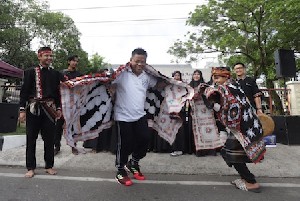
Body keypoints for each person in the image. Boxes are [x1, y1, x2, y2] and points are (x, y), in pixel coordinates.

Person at [204, 67, 266, 193]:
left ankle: (251, 182)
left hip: (240, 127)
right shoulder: (234, 86)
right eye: (214, 77)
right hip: (246, 125)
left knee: (231, 154)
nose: (215, 80)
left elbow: (231, 107)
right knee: (231, 153)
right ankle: (246, 177)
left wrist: (214, 104)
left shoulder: (224, 88)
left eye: (218, 77)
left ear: (226, 77)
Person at [111, 48, 161, 186]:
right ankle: (120, 170)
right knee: (125, 144)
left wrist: (175, 85)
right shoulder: (121, 75)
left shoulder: (146, 76)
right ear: (130, 60)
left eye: (143, 62)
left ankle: (133, 162)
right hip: (122, 116)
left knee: (145, 139)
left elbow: (158, 84)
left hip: (140, 115)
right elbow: (109, 83)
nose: (139, 64)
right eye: (137, 61)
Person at [19, 46, 62, 178]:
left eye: (50, 56)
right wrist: (22, 110)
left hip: (49, 109)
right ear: (39, 57)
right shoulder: (30, 72)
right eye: (46, 56)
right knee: (31, 138)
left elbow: (59, 93)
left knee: (49, 139)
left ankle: (49, 166)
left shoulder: (56, 74)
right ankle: (30, 167)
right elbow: (24, 91)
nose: (49, 58)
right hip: (33, 108)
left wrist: (59, 108)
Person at [54, 55, 82, 155]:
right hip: (63, 103)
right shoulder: (62, 73)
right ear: (69, 62)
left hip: (74, 104)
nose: (75, 63)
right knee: (58, 126)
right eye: (73, 61)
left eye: (76, 61)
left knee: (73, 126)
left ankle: (73, 146)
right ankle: (56, 146)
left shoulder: (79, 75)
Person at [170, 71, 186, 156]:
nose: (176, 77)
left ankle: (180, 149)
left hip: (180, 111)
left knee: (180, 130)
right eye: (175, 75)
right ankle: (174, 148)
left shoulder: (183, 86)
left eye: (178, 75)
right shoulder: (170, 86)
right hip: (172, 110)